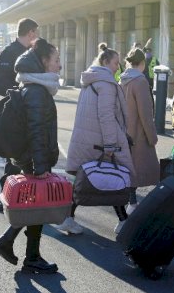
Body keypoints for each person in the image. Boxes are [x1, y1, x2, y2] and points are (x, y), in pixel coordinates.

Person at [0, 38, 61, 274]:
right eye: (56, 60)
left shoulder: (31, 86)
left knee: (34, 206)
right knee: (37, 205)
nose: (59, 66)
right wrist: (41, 167)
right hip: (33, 158)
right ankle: (26, 254)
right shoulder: (37, 91)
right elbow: (37, 131)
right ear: (42, 61)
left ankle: (17, 248)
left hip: (29, 156)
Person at [56, 45, 135, 235]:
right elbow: (106, 115)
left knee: (86, 178)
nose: (118, 67)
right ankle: (122, 220)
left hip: (87, 137)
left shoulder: (91, 80)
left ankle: (68, 218)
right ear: (106, 62)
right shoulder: (106, 83)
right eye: (116, 63)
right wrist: (110, 144)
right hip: (100, 140)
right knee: (114, 176)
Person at [0, 18, 39, 213]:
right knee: (13, 155)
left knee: (30, 157)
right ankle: (5, 195)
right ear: (30, 33)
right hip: (13, 113)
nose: (36, 37)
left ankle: (26, 196)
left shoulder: (34, 53)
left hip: (31, 112)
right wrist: (19, 91)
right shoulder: (9, 52)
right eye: (35, 33)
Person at [119, 48, 160, 215]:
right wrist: (152, 136)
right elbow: (145, 113)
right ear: (142, 63)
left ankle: (132, 202)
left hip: (124, 131)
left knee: (129, 169)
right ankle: (142, 204)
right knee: (146, 170)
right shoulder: (140, 81)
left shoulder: (123, 80)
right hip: (138, 133)